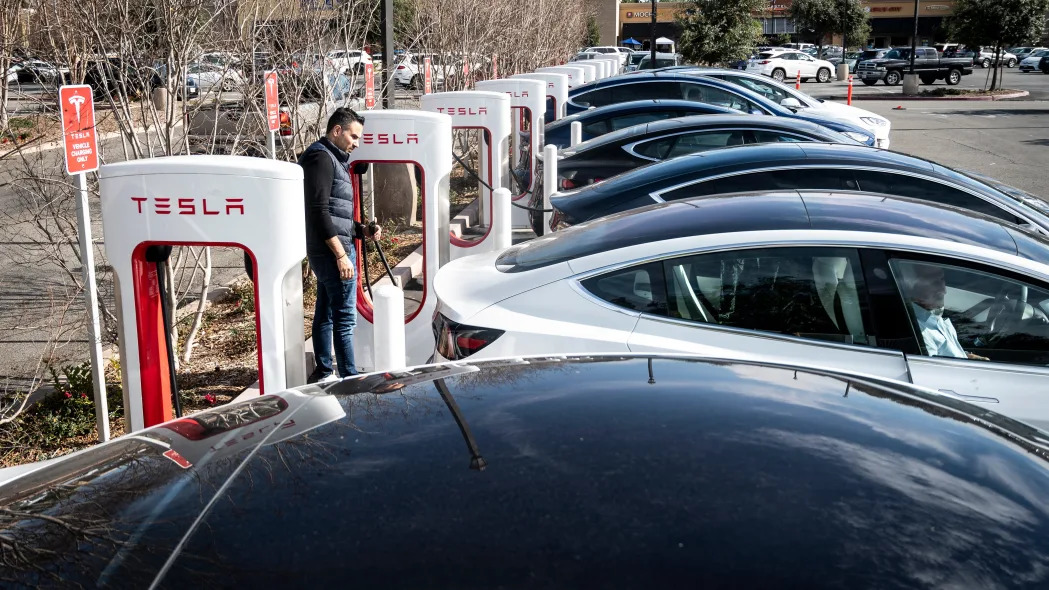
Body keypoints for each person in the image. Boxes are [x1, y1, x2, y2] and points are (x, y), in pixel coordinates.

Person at [301, 107, 381, 384]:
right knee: (345, 318)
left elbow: (337, 216)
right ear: (337, 130)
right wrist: (340, 255)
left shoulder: (332, 158)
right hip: (332, 251)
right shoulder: (321, 158)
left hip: (333, 247)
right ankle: (350, 378)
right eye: (353, 136)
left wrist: (363, 230)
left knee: (325, 312)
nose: (356, 144)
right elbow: (318, 212)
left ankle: (324, 371)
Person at [905, 264, 987, 360]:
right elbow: (932, 367)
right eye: (934, 283)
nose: (944, 290)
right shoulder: (917, 332)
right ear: (913, 290)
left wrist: (969, 356)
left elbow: (947, 353)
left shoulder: (935, 315)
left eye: (941, 280)